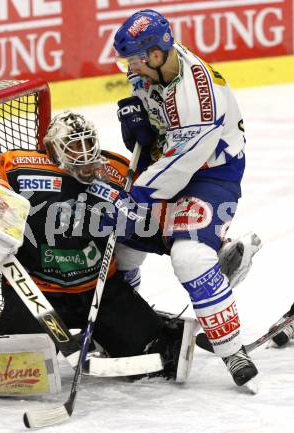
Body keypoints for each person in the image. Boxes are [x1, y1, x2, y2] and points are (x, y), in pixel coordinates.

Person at [0, 111, 198, 382]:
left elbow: (160, 204)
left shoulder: (118, 170)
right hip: (37, 292)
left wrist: (138, 207)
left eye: (88, 143)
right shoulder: (18, 165)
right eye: (75, 145)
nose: (85, 153)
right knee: (19, 369)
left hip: (99, 289)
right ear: (52, 147)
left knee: (158, 356)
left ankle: (119, 332)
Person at [112, 9, 258, 387]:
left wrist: (138, 196)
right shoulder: (154, 65)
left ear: (157, 54)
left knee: (189, 256)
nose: (131, 69)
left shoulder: (199, 97)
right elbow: (145, 100)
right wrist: (135, 114)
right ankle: (121, 322)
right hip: (172, 162)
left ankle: (232, 350)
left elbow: (181, 164)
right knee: (120, 245)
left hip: (211, 174)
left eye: (136, 62)